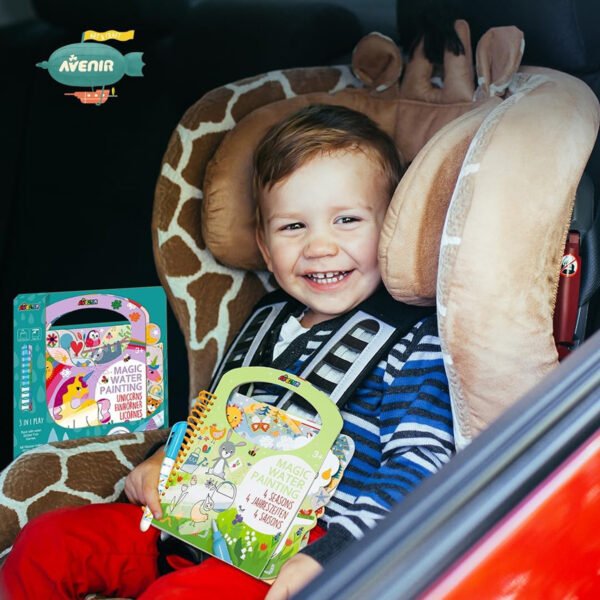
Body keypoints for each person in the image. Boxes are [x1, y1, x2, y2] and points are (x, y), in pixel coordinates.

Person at [0, 104, 454, 600]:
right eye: (293, 227)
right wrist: (161, 461)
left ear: (391, 229)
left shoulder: (415, 338)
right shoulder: (265, 319)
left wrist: (329, 557)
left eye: (347, 220)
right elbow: (213, 421)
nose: (319, 247)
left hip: (295, 552)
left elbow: (423, 465)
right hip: (189, 518)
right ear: (264, 246)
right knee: (49, 541)